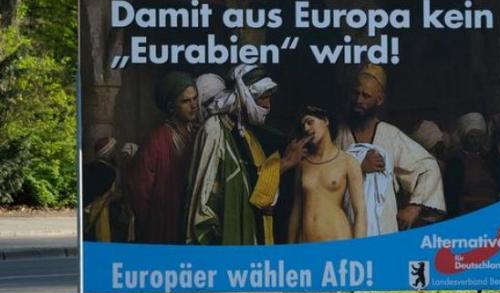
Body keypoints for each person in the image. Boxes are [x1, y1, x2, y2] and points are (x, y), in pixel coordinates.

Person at [186, 65, 308, 245]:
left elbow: (254, 190)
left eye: (269, 98)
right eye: (262, 98)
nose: (268, 105)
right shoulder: (215, 129)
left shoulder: (246, 132)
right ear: (245, 96)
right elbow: (205, 200)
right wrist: (285, 163)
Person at [334, 64, 446, 231]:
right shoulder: (337, 134)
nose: (359, 100)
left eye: (366, 96)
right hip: (345, 227)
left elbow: (428, 167)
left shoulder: (390, 135)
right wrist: (358, 166)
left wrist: (413, 208)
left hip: (384, 226)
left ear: (379, 100)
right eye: (356, 93)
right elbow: (321, 173)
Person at [128, 72, 199, 244]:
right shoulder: (155, 142)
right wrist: (155, 223)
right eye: (185, 101)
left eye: (195, 99)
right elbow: (140, 192)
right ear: (171, 106)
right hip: (164, 228)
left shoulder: (198, 135)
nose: (193, 105)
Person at [288, 106, 366, 243]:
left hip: (338, 240)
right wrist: (290, 248)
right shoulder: (302, 164)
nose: (306, 128)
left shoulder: (348, 162)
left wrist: (357, 251)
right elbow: (296, 211)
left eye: (310, 122)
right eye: (303, 126)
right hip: (306, 243)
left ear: (325, 120)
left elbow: (360, 212)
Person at [84, 137, 134, 242]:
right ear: (109, 153)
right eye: (114, 150)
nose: (116, 153)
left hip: (89, 214)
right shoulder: (109, 171)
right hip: (105, 215)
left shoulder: (88, 167)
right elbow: (106, 196)